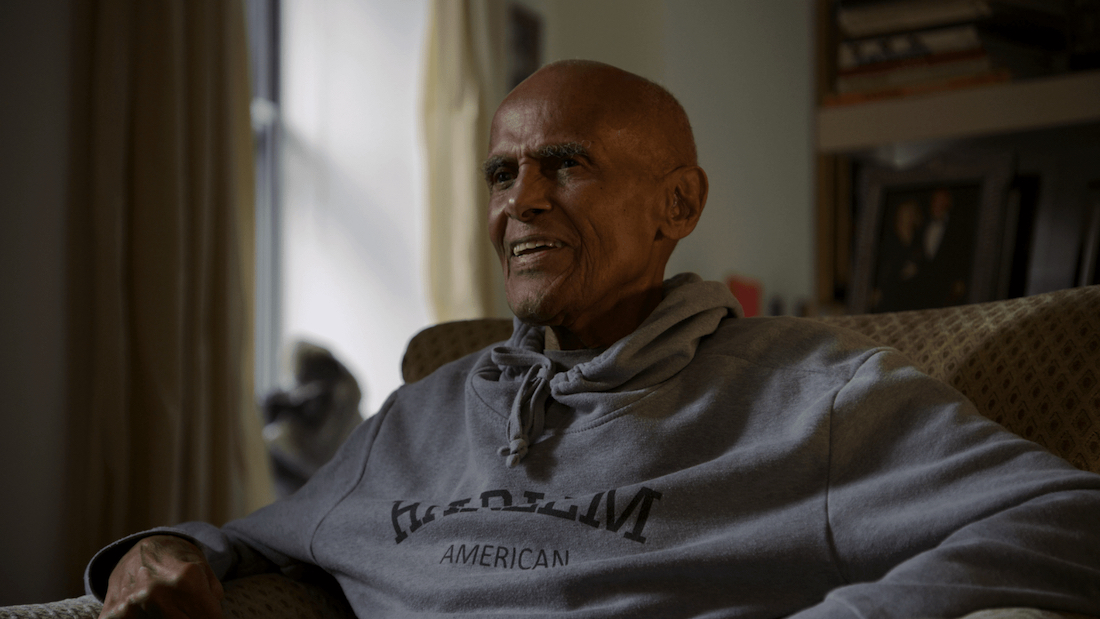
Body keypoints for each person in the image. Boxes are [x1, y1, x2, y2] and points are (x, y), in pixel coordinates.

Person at [91, 60, 1100, 618]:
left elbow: (1069, 518)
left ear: (677, 204)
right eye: (500, 172)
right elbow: (264, 538)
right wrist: (163, 549)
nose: (520, 200)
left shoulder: (811, 398)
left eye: (563, 164)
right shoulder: (423, 414)